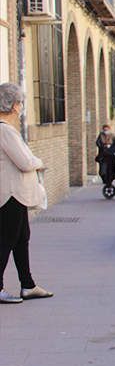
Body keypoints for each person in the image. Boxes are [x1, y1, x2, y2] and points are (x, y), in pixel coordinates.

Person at [0, 83, 52, 303]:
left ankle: (28, 284)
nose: (21, 107)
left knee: (21, 238)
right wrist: (39, 162)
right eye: (20, 103)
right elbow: (25, 162)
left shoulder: (7, 130)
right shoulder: (4, 130)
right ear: (13, 105)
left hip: (16, 194)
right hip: (10, 194)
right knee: (6, 240)